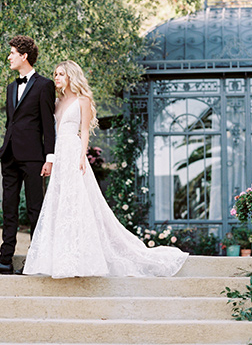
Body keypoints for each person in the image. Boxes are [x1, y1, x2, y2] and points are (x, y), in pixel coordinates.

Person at [23, 60, 188, 279]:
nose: (57, 77)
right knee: (59, 202)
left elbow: (84, 131)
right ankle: (62, 258)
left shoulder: (83, 100)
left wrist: (82, 156)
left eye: (61, 74)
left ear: (71, 76)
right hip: (59, 154)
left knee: (77, 202)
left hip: (73, 153)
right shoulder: (56, 101)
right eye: (55, 74)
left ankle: (80, 258)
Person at [0, 36, 56, 275]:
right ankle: (5, 259)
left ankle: (37, 259)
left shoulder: (45, 85)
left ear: (24, 56)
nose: (8, 57)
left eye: (12, 53)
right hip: (9, 155)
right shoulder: (11, 86)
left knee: (35, 209)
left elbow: (48, 125)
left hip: (33, 157)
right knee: (8, 208)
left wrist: (49, 158)